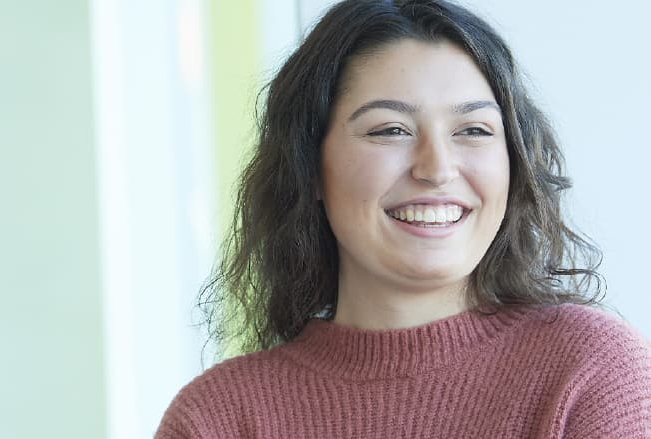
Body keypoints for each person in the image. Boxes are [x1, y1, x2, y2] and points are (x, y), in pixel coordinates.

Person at [156, 0, 651, 437]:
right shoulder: (217, 419)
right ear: (308, 168)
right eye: (391, 129)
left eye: (474, 129)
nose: (436, 168)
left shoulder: (591, 372)